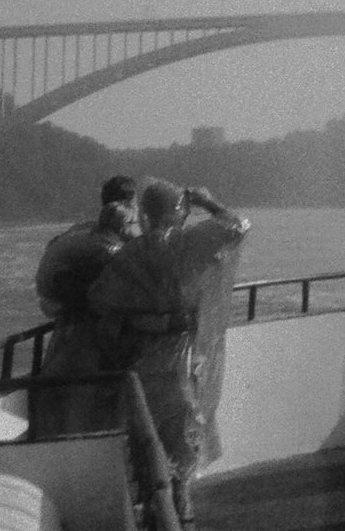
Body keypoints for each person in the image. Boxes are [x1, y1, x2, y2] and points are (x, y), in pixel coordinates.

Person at [87, 179, 249, 529]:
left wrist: (146, 319)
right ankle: (182, 513)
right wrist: (210, 202)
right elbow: (237, 226)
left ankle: (151, 511)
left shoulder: (129, 253)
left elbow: (99, 301)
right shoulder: (190, 244)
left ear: (144, 213)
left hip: (142, 361)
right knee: (183, 445)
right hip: (184, 359)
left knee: (146, 440)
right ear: (181, 211)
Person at [29, 177, 142, 436]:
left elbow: (55, 250)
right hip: (76, 309)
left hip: (60, 307)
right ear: (130, 202)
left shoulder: (83, 228)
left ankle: (56, 426)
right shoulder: (110, 242)